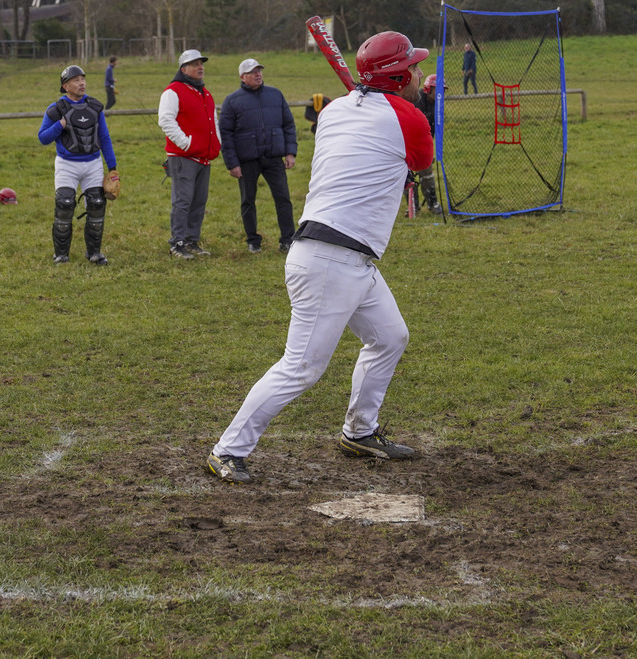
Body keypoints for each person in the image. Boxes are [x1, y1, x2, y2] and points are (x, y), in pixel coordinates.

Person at [207, 32, 433, 485]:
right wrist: (408, 127)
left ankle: (359, 432)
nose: (417, 73)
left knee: (390, 337)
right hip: (331, 260)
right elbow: (422, 161)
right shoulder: (406, 117)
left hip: (346, 257)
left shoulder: (333, 111)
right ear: (397, 77)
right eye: (411, 68)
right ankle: (228, 450)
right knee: (301, 368)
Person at [38, 64, 117, 264]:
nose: (82, 83)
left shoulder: (95, 107)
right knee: (64, 204)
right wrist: (60, 125)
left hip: (93, 164)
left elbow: (104, 137)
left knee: (97, 204)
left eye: (83, 79)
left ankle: (94, 253)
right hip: (67, 165)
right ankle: (61, 255)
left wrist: (112, 167)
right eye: (76, 80)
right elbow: (43, 138)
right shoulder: (56, 109)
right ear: (65, 86)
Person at [219, 57, 298, 254]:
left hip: (273, 158)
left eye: (259, 71)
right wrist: (232, 163)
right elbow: (226, 134)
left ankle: (288, 239)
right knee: (248, 200)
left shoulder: (275, 95)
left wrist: (290, 152)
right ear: (242, 77)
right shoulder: (232, 101)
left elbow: (288, 124)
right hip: (247, 161)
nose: (258, 74)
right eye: (253, 72)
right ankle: (253, 240)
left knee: (283, 198)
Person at [159, 49, 220, 259]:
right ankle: (177, 243)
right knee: (183, 201)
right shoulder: (173, 91)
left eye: (201, 64)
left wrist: (216, 143)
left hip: (203, 156)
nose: (200, 67)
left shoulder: (205, 93)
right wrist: (186, 144)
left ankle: (192, 240)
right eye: (195, 64)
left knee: (199, 201)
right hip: (184, 156)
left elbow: (213, 121)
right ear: (184, 69)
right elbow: (166, 120)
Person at [409, 73, 442, 213]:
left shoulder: (438, 104)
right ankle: (413, 206)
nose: (440, 93)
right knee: (407, 176)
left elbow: (432, 130)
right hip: (409, 142)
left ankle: (432, 204)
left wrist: (429, 151)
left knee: (427, 174)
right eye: (437, 89)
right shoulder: (417, 100)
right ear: (428, 89)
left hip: (424, 143)